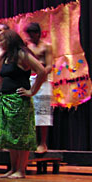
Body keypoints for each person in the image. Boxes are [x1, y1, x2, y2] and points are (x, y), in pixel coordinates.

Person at [0, 29, 46, 179]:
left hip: (19, 100)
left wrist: (32, 91)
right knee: (10, 136)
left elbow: (41, 71)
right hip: (6, 99)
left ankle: (21, 169)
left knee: (21, 136)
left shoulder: (22, 54)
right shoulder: (6, 57)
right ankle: (13, 168)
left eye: (2, 40)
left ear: (10, 40)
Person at [25, 22, 53, 154]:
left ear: (38, 34)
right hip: (29, 79)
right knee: (29, 112)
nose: (31, 37)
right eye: (29, 35)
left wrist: (41, 75)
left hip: (43, 81)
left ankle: (43, 143)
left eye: (32, 34)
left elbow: (49, 65)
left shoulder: (46, 46)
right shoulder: (27, 46)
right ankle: (32, 142)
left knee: (43, 112)